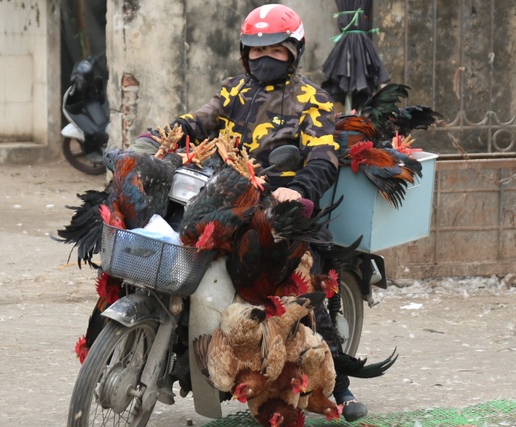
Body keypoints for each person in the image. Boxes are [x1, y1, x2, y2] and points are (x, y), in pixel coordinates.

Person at [134, 3, 367, 421]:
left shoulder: (311, 99)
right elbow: (198, 121)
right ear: (245, 53)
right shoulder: (232, 90)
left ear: (293, 53)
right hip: (227, 198)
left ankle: (342, 386)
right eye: (256, 50)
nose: (264, 58)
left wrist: (297, 189)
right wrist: (158, 138)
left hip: (279, 209)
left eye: (276, 50)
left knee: (300, 286)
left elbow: (323, 159)